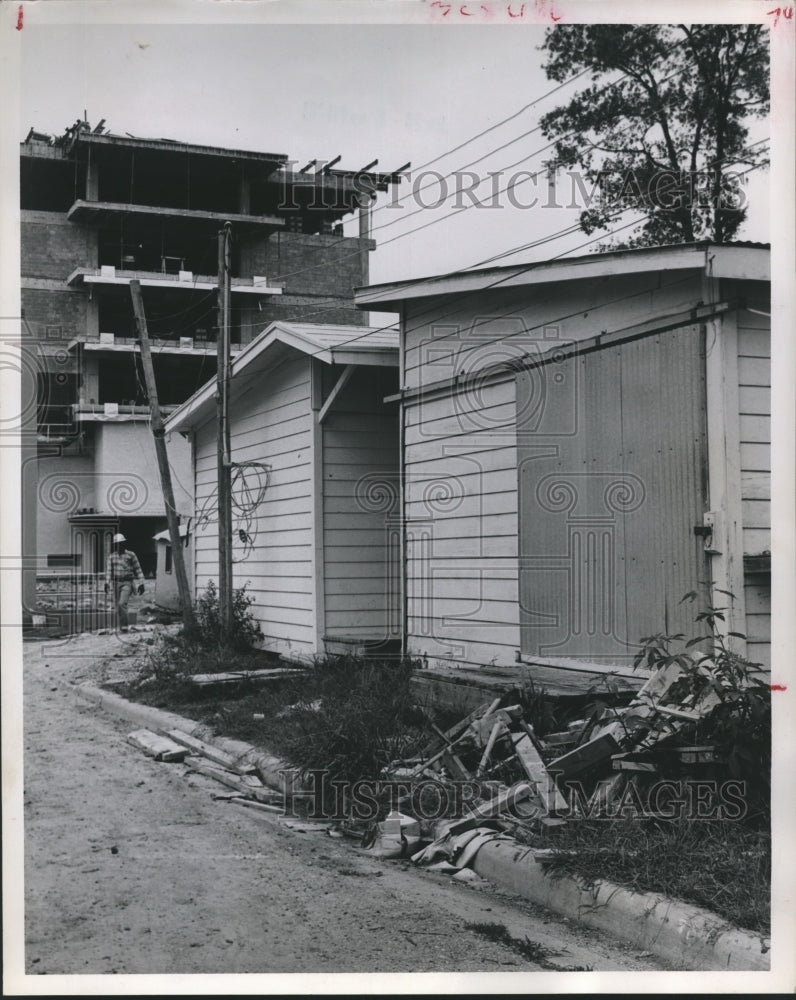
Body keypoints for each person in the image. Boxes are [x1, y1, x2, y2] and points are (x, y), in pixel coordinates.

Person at [105, 533, 145, 632]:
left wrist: (141, 583)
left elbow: (138, 569)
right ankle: (121, 626)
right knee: (118, 606)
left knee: (122, 603)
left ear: (124, 543)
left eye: (121, 543)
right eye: (117, 544)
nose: (119, 545)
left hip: (127, 582)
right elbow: (109, 571)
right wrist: (107, 583)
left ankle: (124, 628)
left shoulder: (131, 555)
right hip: (116, 583)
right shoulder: (112, 557)